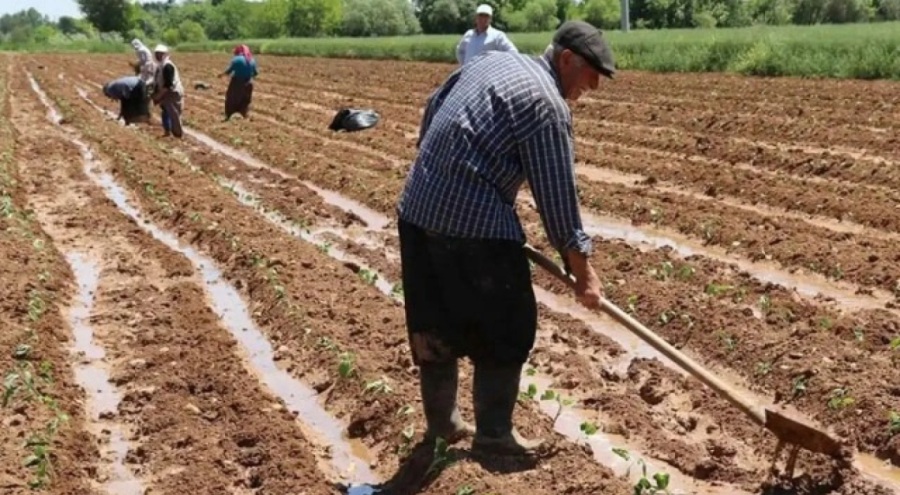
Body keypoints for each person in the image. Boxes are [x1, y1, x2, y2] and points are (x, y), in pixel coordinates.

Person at [396, 20, 615, 456]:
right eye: (591, 74)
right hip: (473, 222)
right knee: (507, 325)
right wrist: (583, 271)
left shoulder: (491, 62)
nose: (591, 87)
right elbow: (557, 195)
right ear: (566, 59)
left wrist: (439, 172)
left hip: (417, 208)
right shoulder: (546, 103)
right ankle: (494, 437)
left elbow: (433, 105)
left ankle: (443, 427)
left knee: (434, 323)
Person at [151, 44, 185, 138]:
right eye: (157, 54)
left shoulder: (167, 66)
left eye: (160, 54)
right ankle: (169, 131)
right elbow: (158, 81)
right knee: (166, 111)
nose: (158, 56)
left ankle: (178, 134)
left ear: (166, 54)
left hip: (172, 93)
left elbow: (168, 84)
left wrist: (158, 96)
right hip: (166, 92)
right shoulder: (161, 65)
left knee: (174, 114)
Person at [219, 44, 259, 121]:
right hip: (248, 83)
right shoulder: (251, 59)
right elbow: (256, 73)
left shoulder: (236, 59)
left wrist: (221, 74)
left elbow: (229, 71)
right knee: (245, 100)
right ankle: (243, 115)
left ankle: (230, 116)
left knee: (231, 99)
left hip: (237, 83)